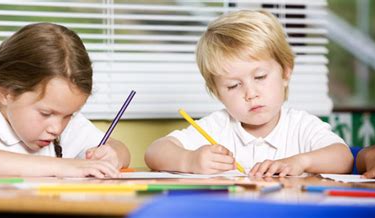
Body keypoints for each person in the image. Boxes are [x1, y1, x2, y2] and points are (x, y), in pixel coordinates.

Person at [144, 10, 353, 177]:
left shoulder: (301, 126)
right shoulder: (218, 127)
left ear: (286, 72)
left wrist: (300, 161)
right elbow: (155, 152)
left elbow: (343, 158)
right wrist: (189, 160)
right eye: (234, 86)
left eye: (260, 77)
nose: (250, 93)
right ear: (217, 93)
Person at [0, 23, 130, 178]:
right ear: (6, 93)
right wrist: (65, 167)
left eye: (69, 115)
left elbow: (121, 149)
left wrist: (112, 156)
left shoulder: (59, 121)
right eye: (46, 113)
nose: (57, 128)